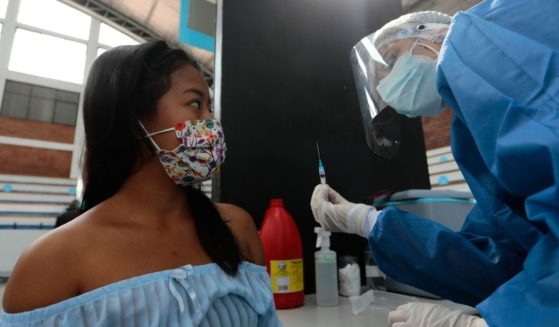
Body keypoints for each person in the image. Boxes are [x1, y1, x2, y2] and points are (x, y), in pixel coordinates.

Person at [311, 1, 559, 326]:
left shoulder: (475, 43)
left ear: (431, 34)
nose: (388, 85)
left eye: (392, 59)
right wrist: (365, 221)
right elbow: (497, 257)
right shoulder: (471, 128)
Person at [1, 40, 281, 326]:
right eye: (195, 103)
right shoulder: (51, 261)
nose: (211, 122)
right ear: (134, 119)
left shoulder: (235, 229)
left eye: (210, 107)